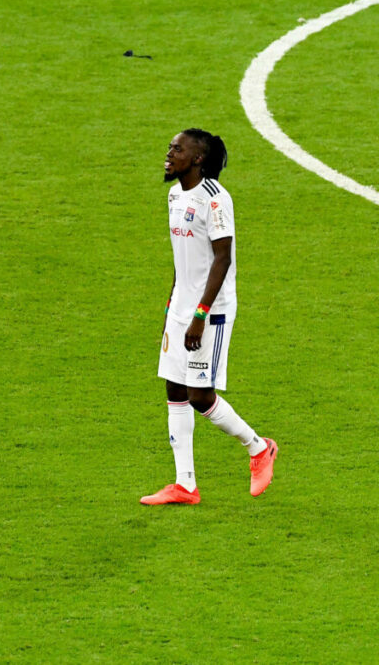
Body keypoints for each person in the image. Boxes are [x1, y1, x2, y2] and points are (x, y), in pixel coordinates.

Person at [140, 128, 278, 506]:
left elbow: (222, 259)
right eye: (170, 147)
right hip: (181, 306)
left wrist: (200, 314)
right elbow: (182, 258)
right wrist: (172, 306)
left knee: (200, 396)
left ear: (198, 159)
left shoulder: (215, 199)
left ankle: (258, 447)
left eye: (177, 149)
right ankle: (185, 484)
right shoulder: (174, 195)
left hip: (210, 310)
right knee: (174, 388)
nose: (169, 154)